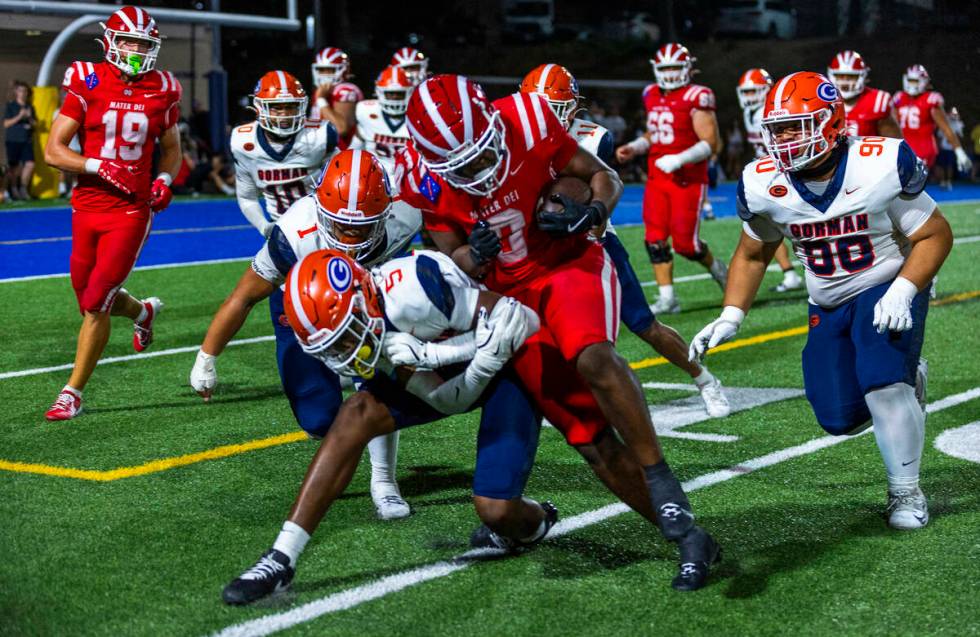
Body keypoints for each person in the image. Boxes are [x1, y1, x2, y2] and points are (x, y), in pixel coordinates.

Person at [399, 74, 721, 591]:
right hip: (510, 302)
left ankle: (660, 477)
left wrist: (592, 212)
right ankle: (689, 537)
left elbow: (603, 178)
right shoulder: (421, 176)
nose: (480, 170)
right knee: (588, 439)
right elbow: (449, 253)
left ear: (491, 124)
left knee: (592, 355)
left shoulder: (525, 116)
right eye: (465, 167)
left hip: (569, 264)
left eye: (484, 153)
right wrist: (470, 256)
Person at [222, 165, 549, 605]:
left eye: (346, 336)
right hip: (461, 368)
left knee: (498, 512)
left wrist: (442, 354)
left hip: (511, 367)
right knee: (354, 413)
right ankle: (282, 556)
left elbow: (521, 322)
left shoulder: (417, 290)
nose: (345, 354)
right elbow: (445, 397)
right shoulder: (375, 325)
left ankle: (541, 518)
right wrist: (428, 360)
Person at [690, 72, 952, 531]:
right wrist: (731, 315)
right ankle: (909, 377)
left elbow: (934, 234)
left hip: (885, 283)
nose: (783, 138)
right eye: (777, 129)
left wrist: (904, 290)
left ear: (831, 122)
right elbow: (753, 252)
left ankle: (906, 493)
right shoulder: (761, 182)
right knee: (837, 418)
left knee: (883, 385)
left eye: (796, 125)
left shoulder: (878, 163)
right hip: (826, 299)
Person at [190, 149, 422, 519]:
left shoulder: (406, 217)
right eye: (341, 225)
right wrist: (207, 356)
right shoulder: (295, 232)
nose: (350, 236)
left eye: (361, 226)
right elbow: (244, 296)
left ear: (386, 211)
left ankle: (384, 481)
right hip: (304, 307)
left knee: (380, 382)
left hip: (370, 298)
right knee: (317, 419)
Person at [520, 63, 729, 418]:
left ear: (571, 108)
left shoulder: (593, 136)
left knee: (644, 324)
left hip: (590, 235)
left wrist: (581, 218)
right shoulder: (512, 133)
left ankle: (705, 379)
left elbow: (586, 194)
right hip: (536, 239)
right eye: (535, 106)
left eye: (551, 107)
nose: (542, 116)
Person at [42, 5, 180, 421]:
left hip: (130, 210)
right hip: (87, 205)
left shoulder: (164, 88)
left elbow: (172, 151)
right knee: (87, 296)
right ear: (111, 43)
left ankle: (72, 392)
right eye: (130, 41)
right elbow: (53, 151)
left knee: (96, 303)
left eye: (144, 43)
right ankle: (143, 311)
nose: (137, 50)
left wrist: (166, 180)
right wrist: (96, 165)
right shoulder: (88, 79)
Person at [616, 43, 727, 315]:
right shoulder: (651, 94)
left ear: (688, 68)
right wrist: (637, 146)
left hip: (687, 178)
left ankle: (719, 270)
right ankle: (668, 298)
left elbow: (710, 143)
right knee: (654, 238)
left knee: (686, 245)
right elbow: (656, 132)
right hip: (657, 177)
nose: (670, 74)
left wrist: (678, 159)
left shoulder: (697, 96)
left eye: (675, 68)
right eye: (665, 68)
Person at [230, 70, 336, 238]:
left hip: (322, 226)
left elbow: (342, 182)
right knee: (258, 266)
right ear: (259, 107)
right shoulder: (243, 141)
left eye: (290, 107)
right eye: (276, 108)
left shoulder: (320, 135)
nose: (285, 115)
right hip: (281, 227)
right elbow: (247, 197)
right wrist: (265, 227)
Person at [736, 67, 802, 293]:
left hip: (784, 171)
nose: (749, 97)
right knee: (767, 225)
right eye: (746, 92)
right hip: (766, 174)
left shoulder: (772, 112)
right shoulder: (749, 113)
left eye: (754, 91)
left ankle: (802, 272)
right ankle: (790, 274)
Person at [892, 65, 970, 175]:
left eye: (915, 81)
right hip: (903, 147)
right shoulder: (899, 98)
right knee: (902, 186)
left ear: (923, 82)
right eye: (910, 80)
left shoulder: (931, 99)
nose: (912, 84)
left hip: (923, 148)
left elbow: (946, 128)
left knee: (910, 183)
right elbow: (891, 125)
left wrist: (959, 151)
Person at [349, 65, 413, 176]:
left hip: (408, 176)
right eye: (390, 93)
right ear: (379, 92)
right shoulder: (366, 111)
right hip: (373, 175)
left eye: (399, 94)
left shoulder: (415, 117)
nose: (394, 98)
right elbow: (353, 150)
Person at [827, 50, 901, 138]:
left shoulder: (877, 101)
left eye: (851, 76)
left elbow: (893, 144)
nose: (845, 82)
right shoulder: (823, 101)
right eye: (840, 76)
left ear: (863, 76)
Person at [310, 47, 362, 148]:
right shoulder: (320, 91)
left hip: (341, 154)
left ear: (344, 69)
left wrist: (321, 100)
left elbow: (341, 129)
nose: (325, 74)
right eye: (321, 70)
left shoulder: (345, 90)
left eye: (330, 70)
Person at [3, 81, 38, 200]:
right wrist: (19, 116)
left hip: (26, 140)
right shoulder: (11, 106)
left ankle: (23, 188)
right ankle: (13, 190)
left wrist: (29, 117)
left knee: (30, 164)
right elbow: (6, 124)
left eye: (25, 91)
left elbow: (35, 124)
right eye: (20, 91)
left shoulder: (30, 107)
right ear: (16, 92)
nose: (23, 93)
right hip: (13, 140)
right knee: (14, 167)